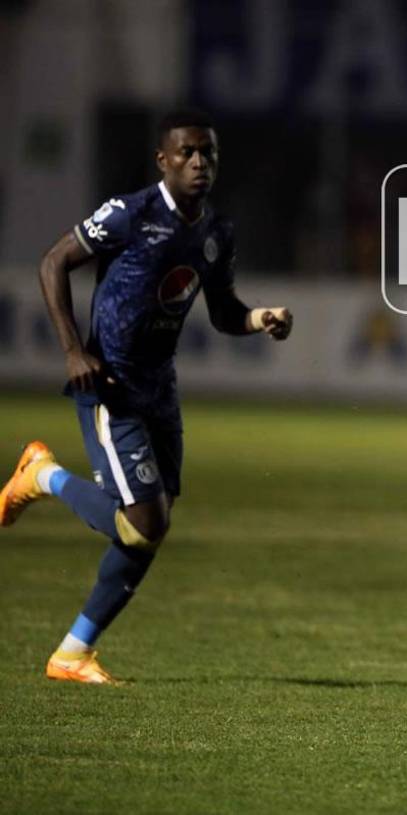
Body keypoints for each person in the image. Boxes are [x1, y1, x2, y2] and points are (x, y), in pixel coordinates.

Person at [0, 109, 293, 684]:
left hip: (161, 388)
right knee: (143, 522)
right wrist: (71, 351)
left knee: (148, 526)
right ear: (164, 160)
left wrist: (262, 318)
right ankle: (42, 476)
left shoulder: (215, 232)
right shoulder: (130, 214)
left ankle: (72, 653)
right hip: (111, 384)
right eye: (186, 153)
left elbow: (224, 311)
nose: (199, 163)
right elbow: (54, 261)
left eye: (208, 153)